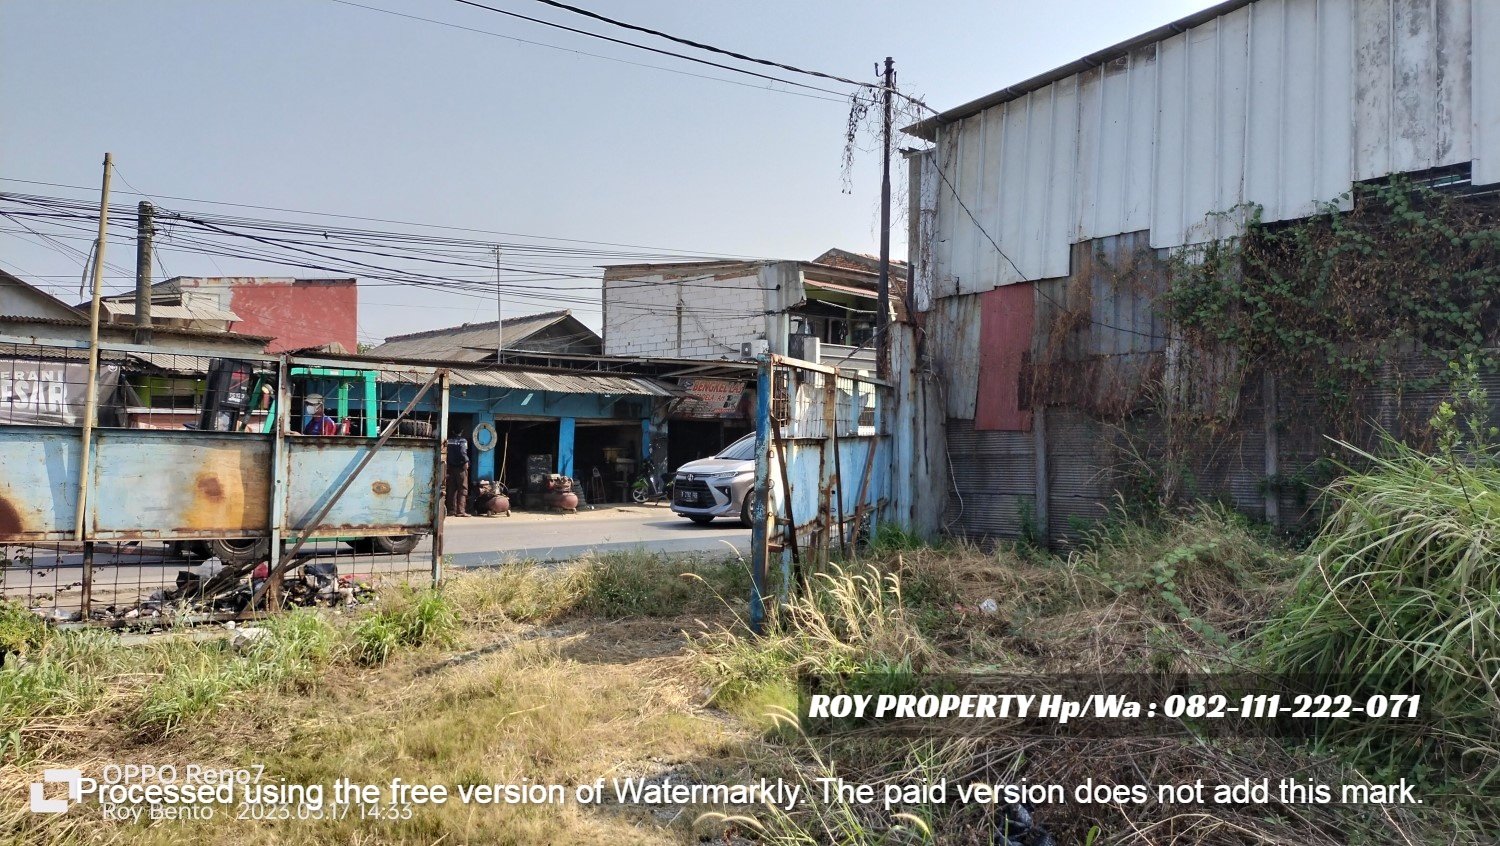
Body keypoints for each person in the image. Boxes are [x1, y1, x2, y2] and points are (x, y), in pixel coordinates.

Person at [446, 434, 470, 517]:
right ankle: (460, 511)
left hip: (451, 468)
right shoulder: (462, 440)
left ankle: (451, 510)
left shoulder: (448, 441)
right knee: (463, 489)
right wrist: (466, 461)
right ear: (461, 431)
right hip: (460, 468)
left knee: (451, 489)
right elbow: (463, 451)